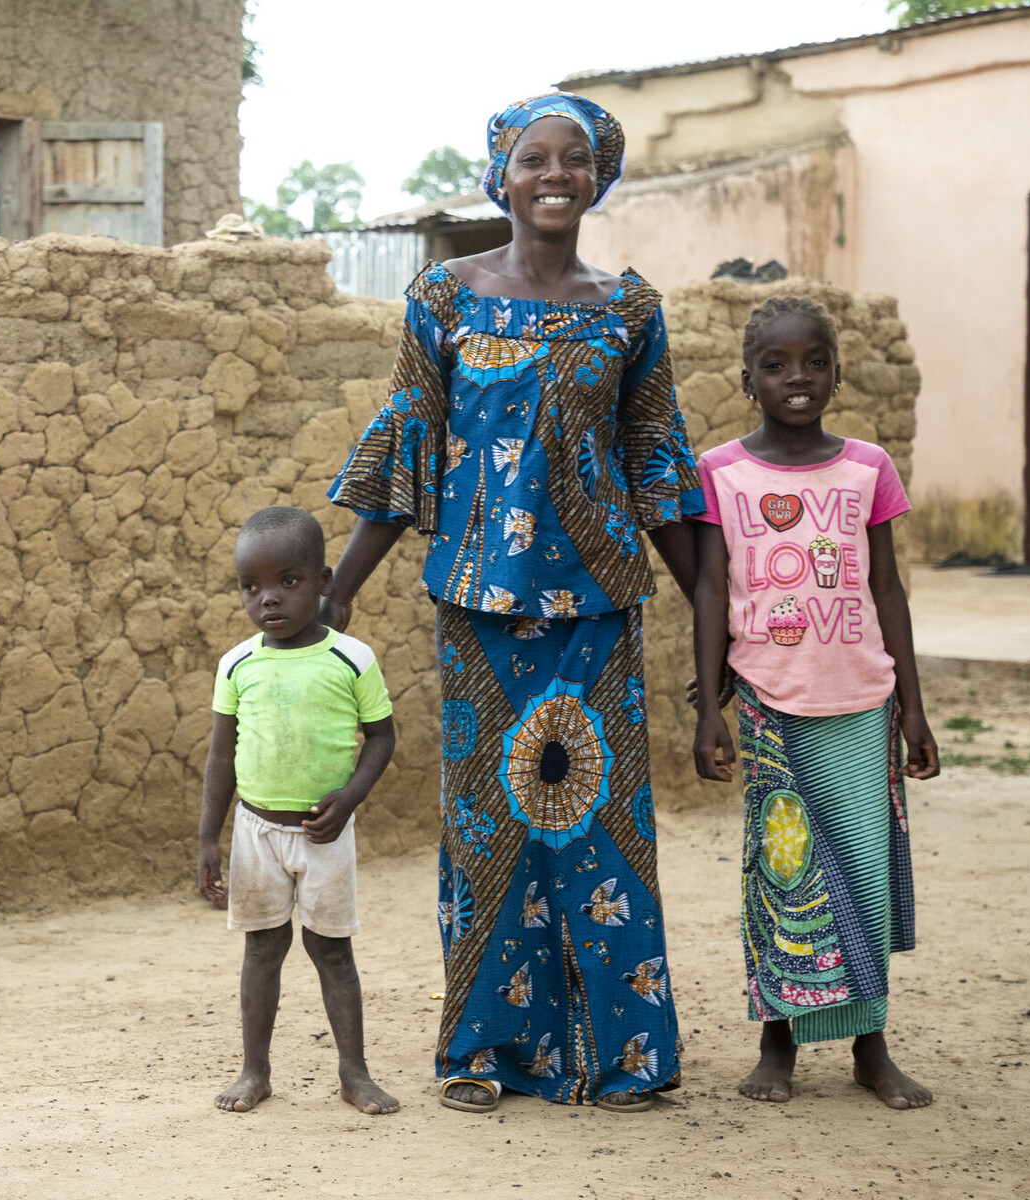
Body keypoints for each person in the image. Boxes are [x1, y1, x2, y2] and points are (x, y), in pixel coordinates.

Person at [321, 94, 703, 1113]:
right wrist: (340, 586)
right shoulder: (444, 298)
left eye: (573, 160)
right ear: (501, 175)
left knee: (605, 830)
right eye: (532, 158)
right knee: (491, 830)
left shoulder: (628, 310)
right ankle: (485, 1054)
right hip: (481, 612)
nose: (553, 174)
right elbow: (411, 436)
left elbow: (653, 459)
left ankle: (624, 1058)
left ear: (597, 178)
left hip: (598, 611)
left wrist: (721, 602)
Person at [690, 294, 939, 1110]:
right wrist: (708, 707)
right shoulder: (721, 471)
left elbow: (888, 588)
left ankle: (871, 1048)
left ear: (835, 372)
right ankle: (778, 1043)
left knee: (860, 878)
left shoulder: (867, 467)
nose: (797, 378)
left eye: (814, 362)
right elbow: (709, 587)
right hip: (769, 702)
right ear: (747, 377)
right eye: (776, 364)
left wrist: (913, 707)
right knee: (785, 876)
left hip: (863, 701)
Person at [196, 506, 401, 1116]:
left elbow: (383, 737)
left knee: (332, 952)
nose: (269, 600)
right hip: (255, 831)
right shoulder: (237, 664)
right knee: (262, 949)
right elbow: (221, 754)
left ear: (325, 582)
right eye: (251, 586)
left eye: (289, 581)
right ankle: (254, 1071)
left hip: (324, 832)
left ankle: (354, 1074)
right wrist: (209, 836)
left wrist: (351, 796)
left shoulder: (351, 659)